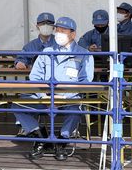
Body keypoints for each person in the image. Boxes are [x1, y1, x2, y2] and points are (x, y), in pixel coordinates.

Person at [13, 17, 94, 161]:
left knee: (76, 111)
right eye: (57, 30)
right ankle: (39, 136)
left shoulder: (84, 54)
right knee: (17, 105)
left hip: (68, 98)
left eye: (63, 31)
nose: (58, 33)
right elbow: (35, 77)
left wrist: (64, 97)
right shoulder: (46, 52)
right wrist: (43, 96)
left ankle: (61, 141)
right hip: (44, 97)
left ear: (73, 34)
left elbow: (85, 81)